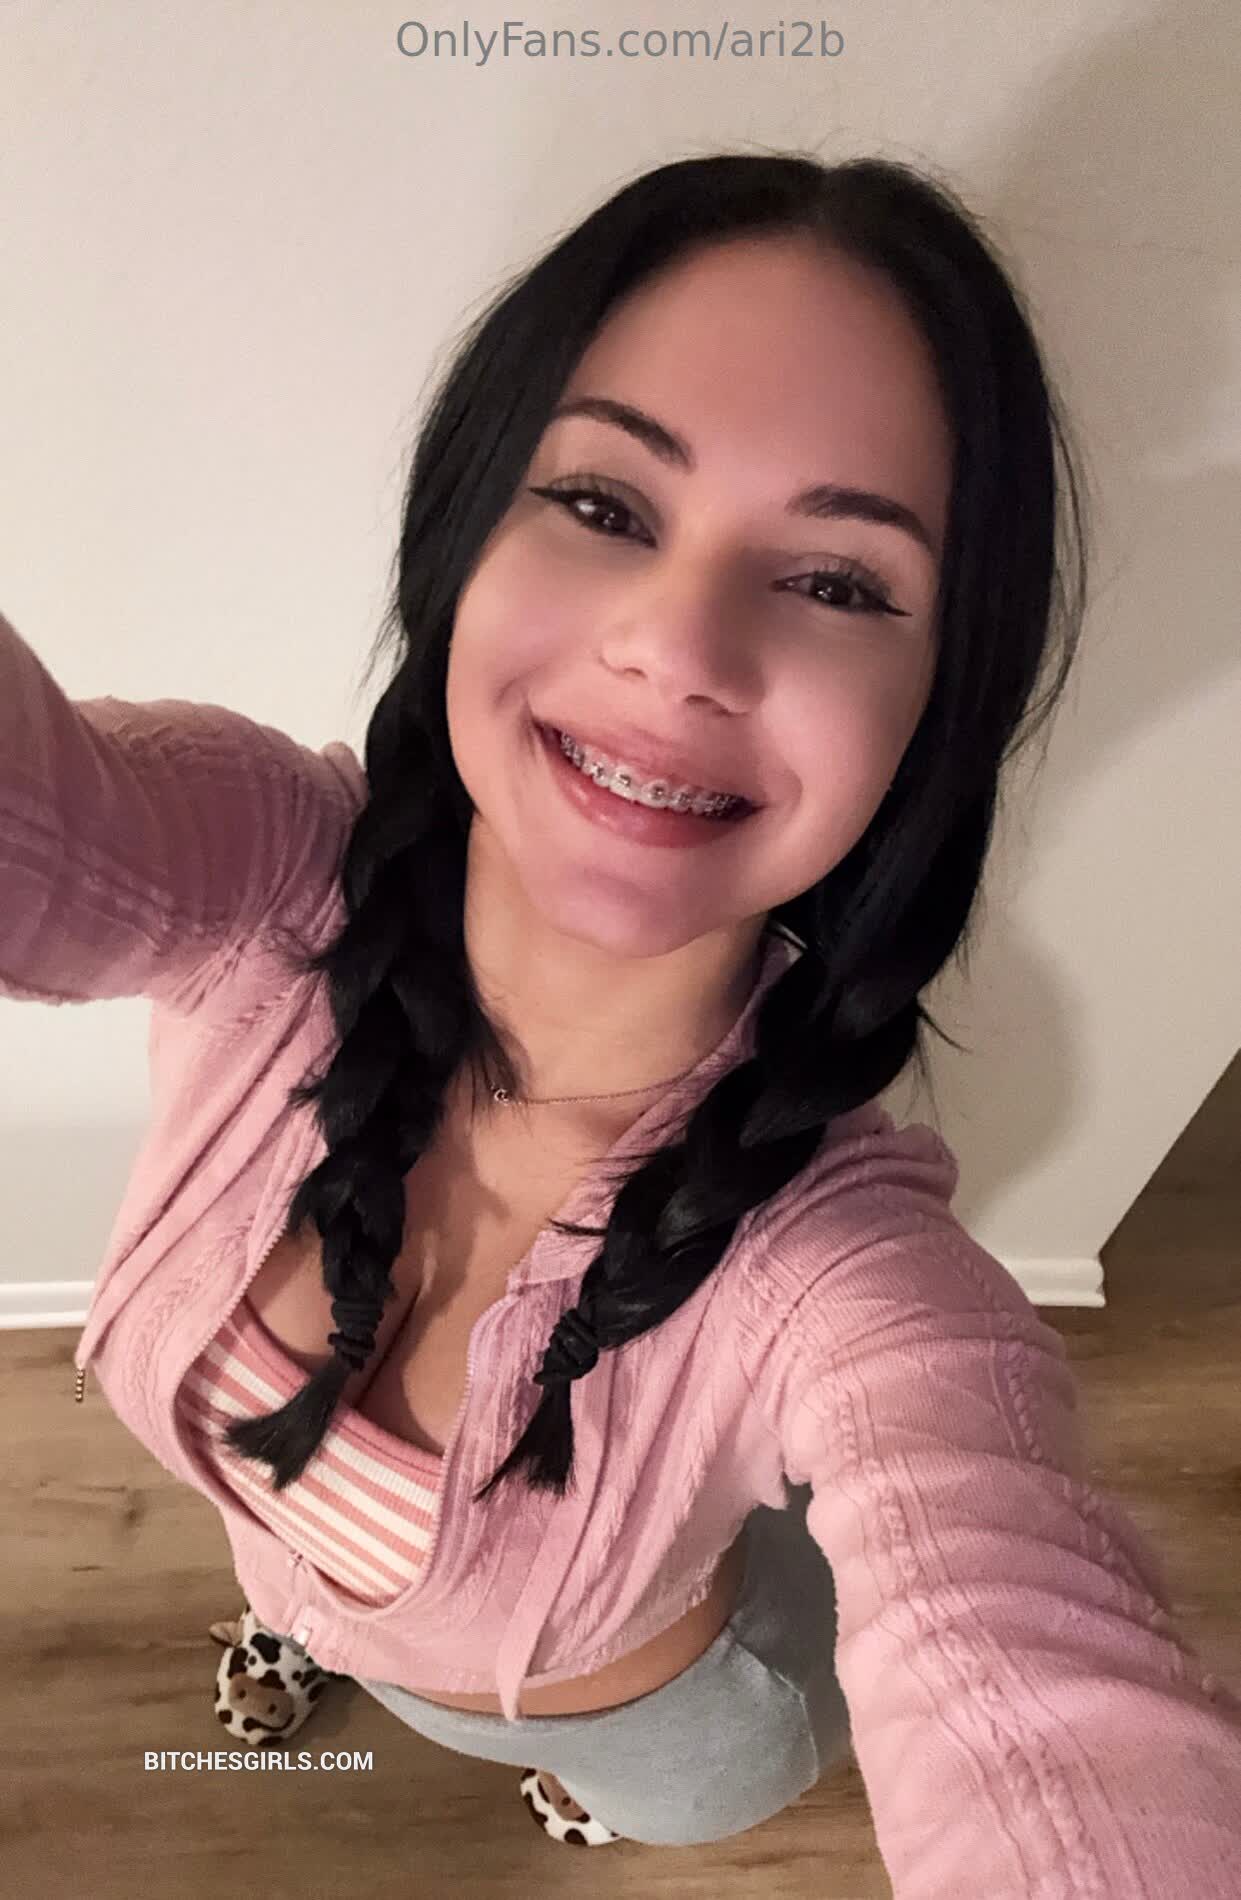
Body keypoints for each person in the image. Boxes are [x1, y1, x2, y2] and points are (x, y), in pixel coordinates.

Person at [5, 150, 1240, 1885]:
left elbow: (1044, 1730)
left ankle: (589, 1796)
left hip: (653, 1721)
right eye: (601, 504)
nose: (679, 649)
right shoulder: (270, 877)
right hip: (331, 1605)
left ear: (931, 715)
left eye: (837, 582)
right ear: (463, 533)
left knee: (662, 1801)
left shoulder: (848, 1280)